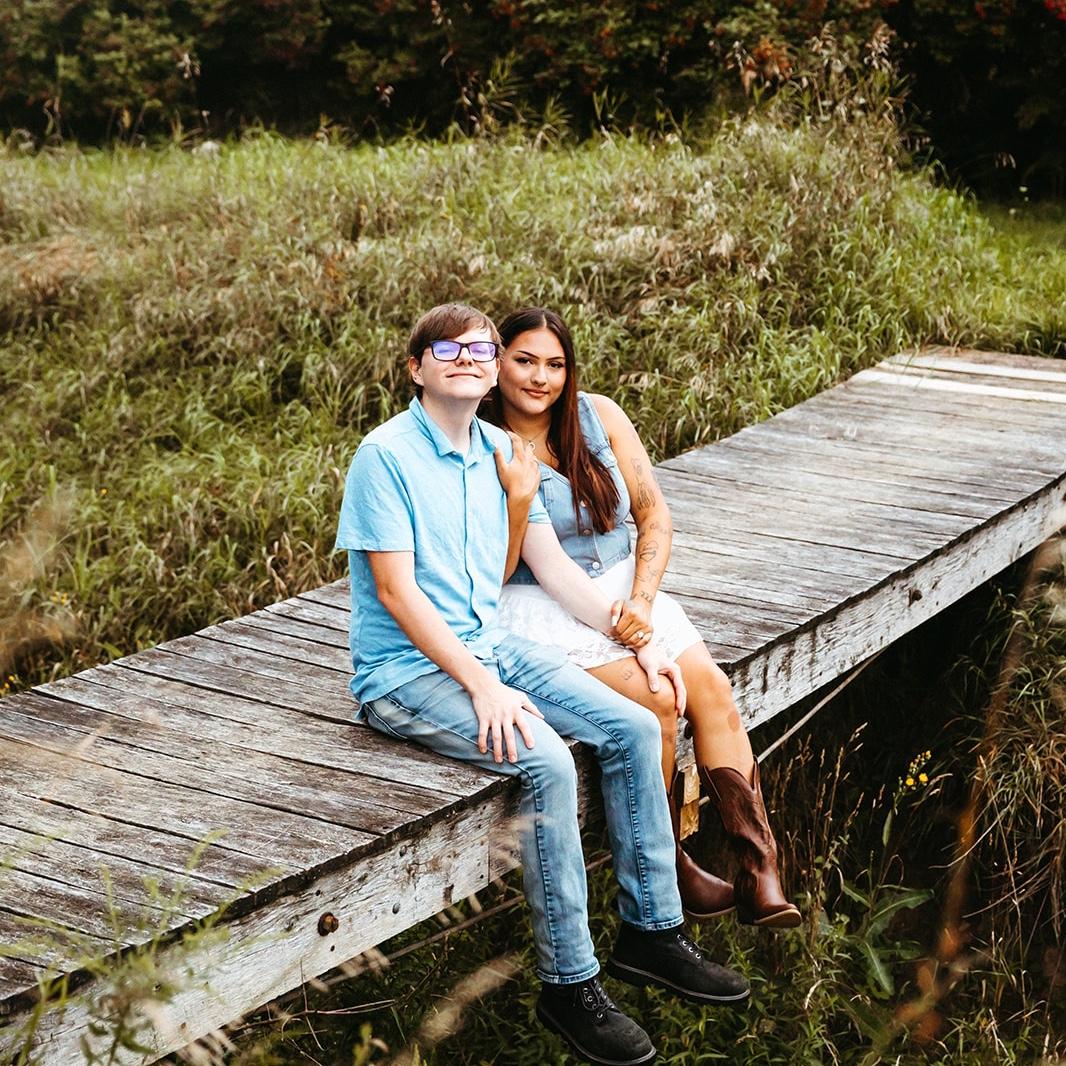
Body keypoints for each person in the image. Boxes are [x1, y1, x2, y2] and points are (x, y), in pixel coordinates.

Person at [336, 303, 749, 1066]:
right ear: (416, 367)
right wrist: (482, 686)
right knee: (548, 761)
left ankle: (653, 931)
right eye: (448, 350)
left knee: (634, 724)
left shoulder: (502, 451)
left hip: (489, 647)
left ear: (492, 367)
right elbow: (396, 593)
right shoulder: (384, 457)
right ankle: (569, 983)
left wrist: (640, 641)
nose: (468, 359)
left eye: (481, 349)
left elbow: (553, 569)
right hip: (406, 673)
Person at [486, 307, 800, 929]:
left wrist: (642, 602)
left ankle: (759, 866)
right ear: (498, 363)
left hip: (627, 591)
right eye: (524, 361)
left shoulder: (598, 417)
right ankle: (670, 864)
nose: (540, 378)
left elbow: (653, 514)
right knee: (657, 701)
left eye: (555, 365)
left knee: (713, 691)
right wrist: (519, 501)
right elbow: (498, 567)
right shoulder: (486, 442)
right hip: (540, 606)